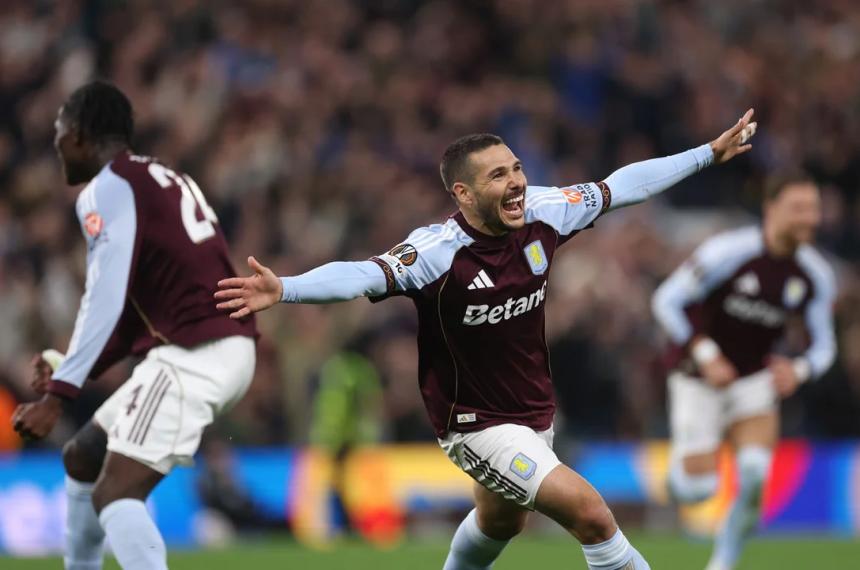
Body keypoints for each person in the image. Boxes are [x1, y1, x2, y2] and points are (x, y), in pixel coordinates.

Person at [215, 110, 757, 570]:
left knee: (500, 521)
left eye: (517, 168)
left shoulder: (547, 210)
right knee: (591, 514)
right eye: (499, 176)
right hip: (474, 423)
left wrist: (706, 153)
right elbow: (361, 275)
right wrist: (286, 287)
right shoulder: (435, 253)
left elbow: (623, 186)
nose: (517, 182)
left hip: (533, 413)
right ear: (464, 193)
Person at [11, 80, 257, 570]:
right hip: (216, 346)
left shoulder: (107, 187)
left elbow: (105, 295)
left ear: (79, 133)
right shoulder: (166, 178)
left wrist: (58, 397)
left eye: (59, 131)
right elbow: (131, 313)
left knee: (115, 494)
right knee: (83, 456)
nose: (55, 143)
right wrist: (73, 374)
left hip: (195, 354)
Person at [651, 173, 836, 570]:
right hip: (697, 377)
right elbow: (666, 300)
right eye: (799, 208)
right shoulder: (729, 252)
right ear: (771, 210)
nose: (810, 218)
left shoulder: (815, 275)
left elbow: (825, 346)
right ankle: (676, 481)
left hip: (753, 379)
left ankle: (724, 562)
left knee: (754, 473)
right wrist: (706, 353)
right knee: (699, 490)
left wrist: (800, 371)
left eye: (814, 208)